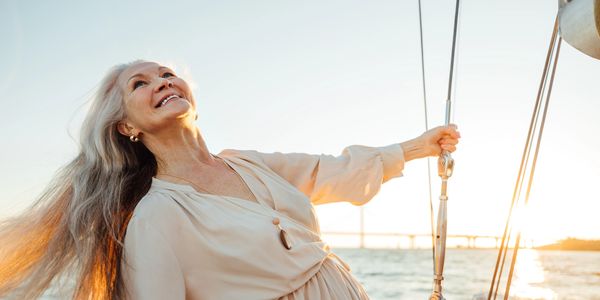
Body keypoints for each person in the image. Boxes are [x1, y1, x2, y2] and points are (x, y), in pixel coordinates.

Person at [0, 60, 460, 300]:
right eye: (139, 84)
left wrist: (419, 146)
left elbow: (328, 170)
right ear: (126, 127)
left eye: (167, 74)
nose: (162, 82)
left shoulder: (246, 162)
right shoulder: (157, 215)